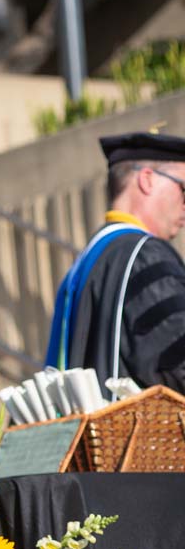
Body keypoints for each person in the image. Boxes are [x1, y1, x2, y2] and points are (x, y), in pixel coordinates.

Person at [47, 131, 185, 396]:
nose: (184, 207)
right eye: (183, 190)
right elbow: (178, 365)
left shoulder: (89, 259)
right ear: (147, 180)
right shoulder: (144, 255)